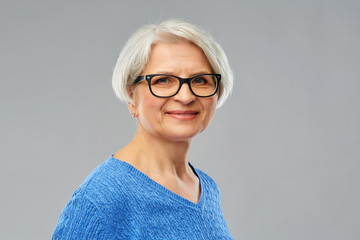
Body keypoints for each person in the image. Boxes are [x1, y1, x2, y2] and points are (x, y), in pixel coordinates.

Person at [52, 19, 234, 239]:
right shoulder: (102, 199)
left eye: (200, 80)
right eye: (163, 80)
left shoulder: (207, 189)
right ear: (131, 95)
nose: (186, 96)